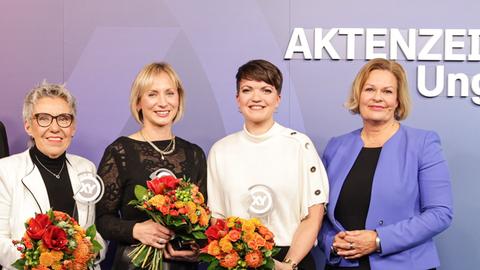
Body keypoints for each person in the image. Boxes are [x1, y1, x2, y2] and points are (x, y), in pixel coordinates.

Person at [320, 58, 453, 270]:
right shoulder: (336, 147)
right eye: (370, 89)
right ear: (359, 95)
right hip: (342, 265)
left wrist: (379, 240)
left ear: (398, 100)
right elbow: (319, 213)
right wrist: (331, 243)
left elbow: (440, 213)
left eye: (387, 91)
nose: (377, 98)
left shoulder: (423, 143)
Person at [207, 59, 329, 270]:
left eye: (266, 90)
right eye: (247, 90)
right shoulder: (221, 150)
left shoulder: (300, 144)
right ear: (237, 99)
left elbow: (313, 214)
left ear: (278, 99)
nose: (256, 98)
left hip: (290, 258)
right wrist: (239, 256)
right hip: (237, 260)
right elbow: (216, 218)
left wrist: (288, 265)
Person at [95, 62, 207, 270]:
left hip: (180, 266)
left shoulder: (194, 154)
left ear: (179, 99)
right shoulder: (120, 151)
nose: (163, 103)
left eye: (170, 93)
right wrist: (135, 230)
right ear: (138, 102)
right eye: (152, 94)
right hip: (133, 264)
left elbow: (203, 219)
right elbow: (101, 219)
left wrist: (197, 248)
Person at [0, 81, 105, 269]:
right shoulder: (5, 171)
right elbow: (0, 241)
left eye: (64, 118)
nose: (55, 128)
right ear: (28, 126)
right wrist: (43, 262)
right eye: (44, 118)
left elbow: (95, 233)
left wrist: (90, 252)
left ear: (73, 127)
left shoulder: (86, 169)